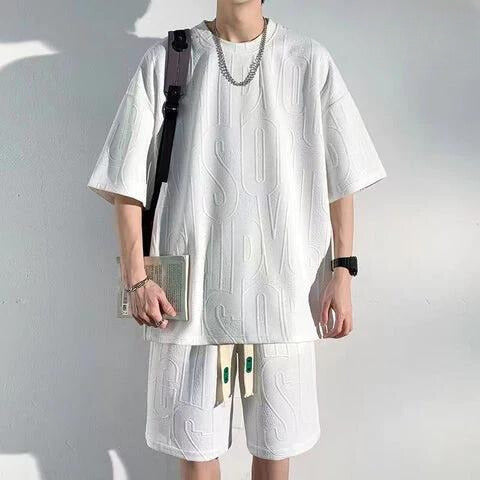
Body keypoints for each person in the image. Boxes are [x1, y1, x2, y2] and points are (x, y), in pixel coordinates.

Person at [87, 1, 387, 479]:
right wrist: (137, 279)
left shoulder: (307, 60)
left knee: (275, 450)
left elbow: (341, 176)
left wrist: (343, 271)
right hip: (191, 298)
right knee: (197, 455)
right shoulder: (170, 58)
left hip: (285, 295)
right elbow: (126, 179)